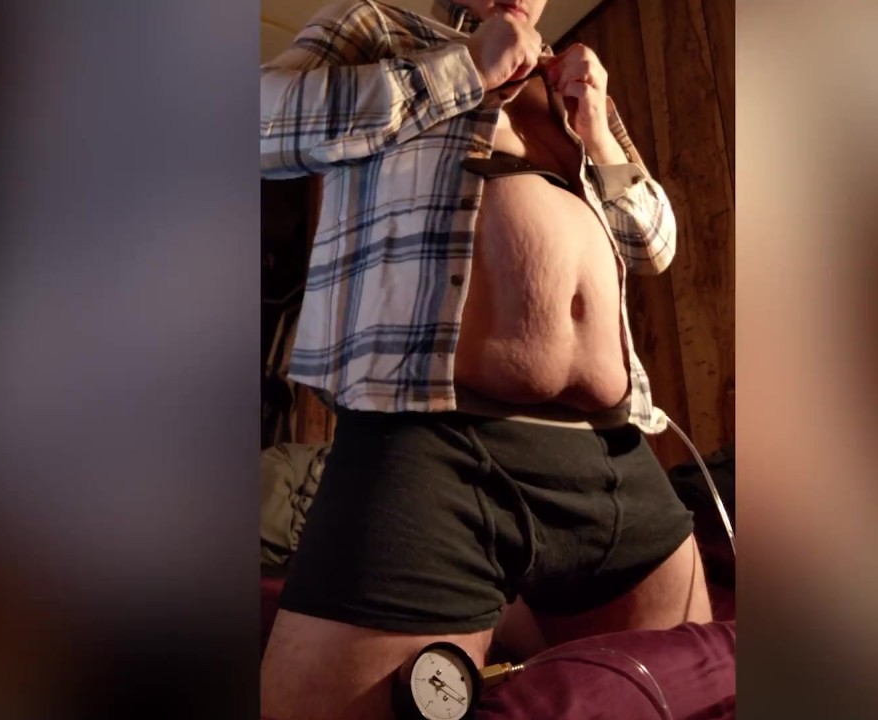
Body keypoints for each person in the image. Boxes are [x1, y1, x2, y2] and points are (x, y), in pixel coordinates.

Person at [259, 1, 710, 717]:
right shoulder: (377, 27)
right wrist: (466, 68)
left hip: (611, 453)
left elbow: (653, 244)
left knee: (682, 696)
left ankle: (514, 617)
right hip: (433, 440)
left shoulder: (572, 88)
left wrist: (598, 131)